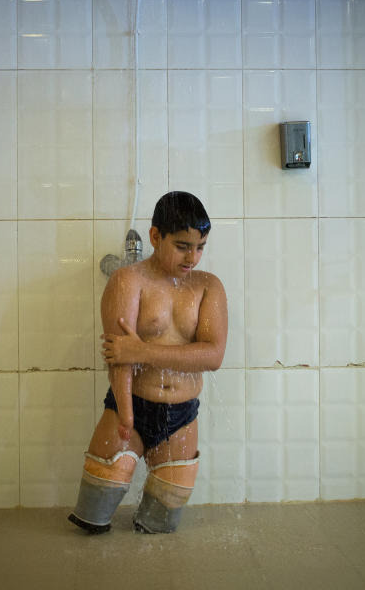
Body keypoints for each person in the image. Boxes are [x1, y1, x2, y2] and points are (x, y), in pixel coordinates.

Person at [68, 191, 228, 534]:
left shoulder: (208, 287)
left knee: (159, 528)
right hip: (130, 408)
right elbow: (118, 356)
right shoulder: (128, 281)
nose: (193, 257)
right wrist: (125, 412)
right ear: (156, 236)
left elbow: (212, 356)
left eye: (200, 247)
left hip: (182, 417)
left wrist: (142, 351)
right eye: (183, 246)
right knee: (91, 521)